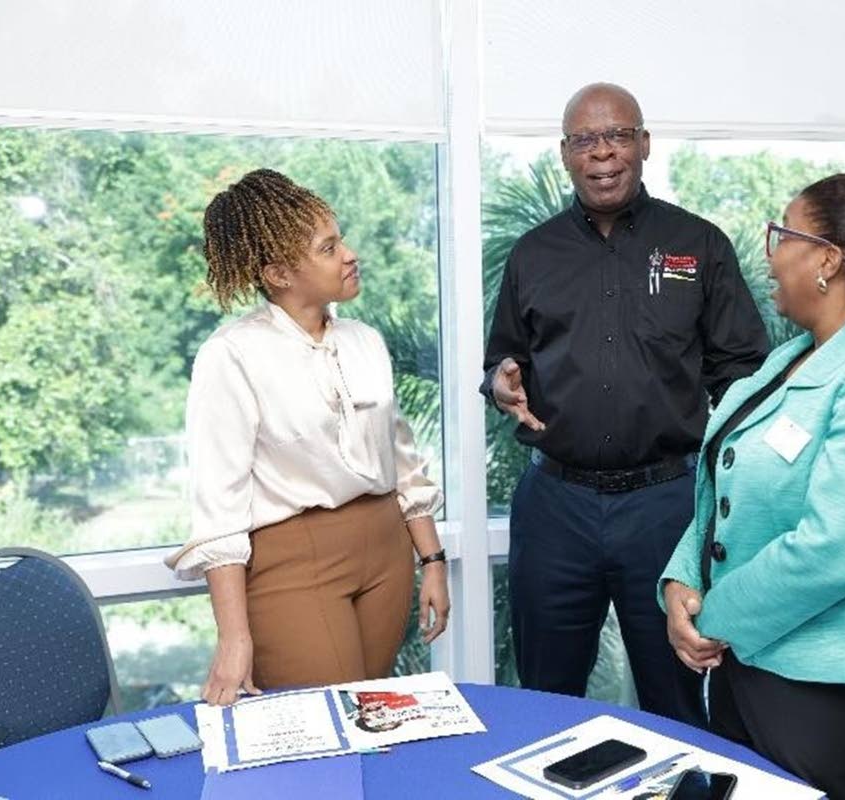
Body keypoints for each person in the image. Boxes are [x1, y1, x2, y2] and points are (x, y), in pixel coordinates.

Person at [659, 172, 845, 799]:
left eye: (781, 234)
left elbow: (834, 548)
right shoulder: (792, 357)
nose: (769, 256)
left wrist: (714, 615)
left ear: (828, 258)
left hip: (826, 688)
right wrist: (681, 580)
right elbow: (725, 487)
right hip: (749, 662)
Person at [482, 83, 769, 726]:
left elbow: (744, 370)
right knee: (544, 703)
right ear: (564, 154)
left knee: (676, 701)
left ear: (644, 144)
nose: (602, 153)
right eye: (585, 140)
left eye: (617, 136)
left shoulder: (699, 245)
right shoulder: (533, 254)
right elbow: (503, 360)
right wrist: (500, 383)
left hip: (664, 508)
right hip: (556, 510)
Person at [165, 168, 450, 706]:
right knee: (326, 730)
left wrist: (431, 561)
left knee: (375, 723)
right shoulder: (232, 356)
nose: (349, 254)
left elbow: (403, 461)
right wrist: (234, 637)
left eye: (340, 239)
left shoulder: (365, 342)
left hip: (386, 551)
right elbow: (219, 509)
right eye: (329, 247)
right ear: (278, 273)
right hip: (294, 562)